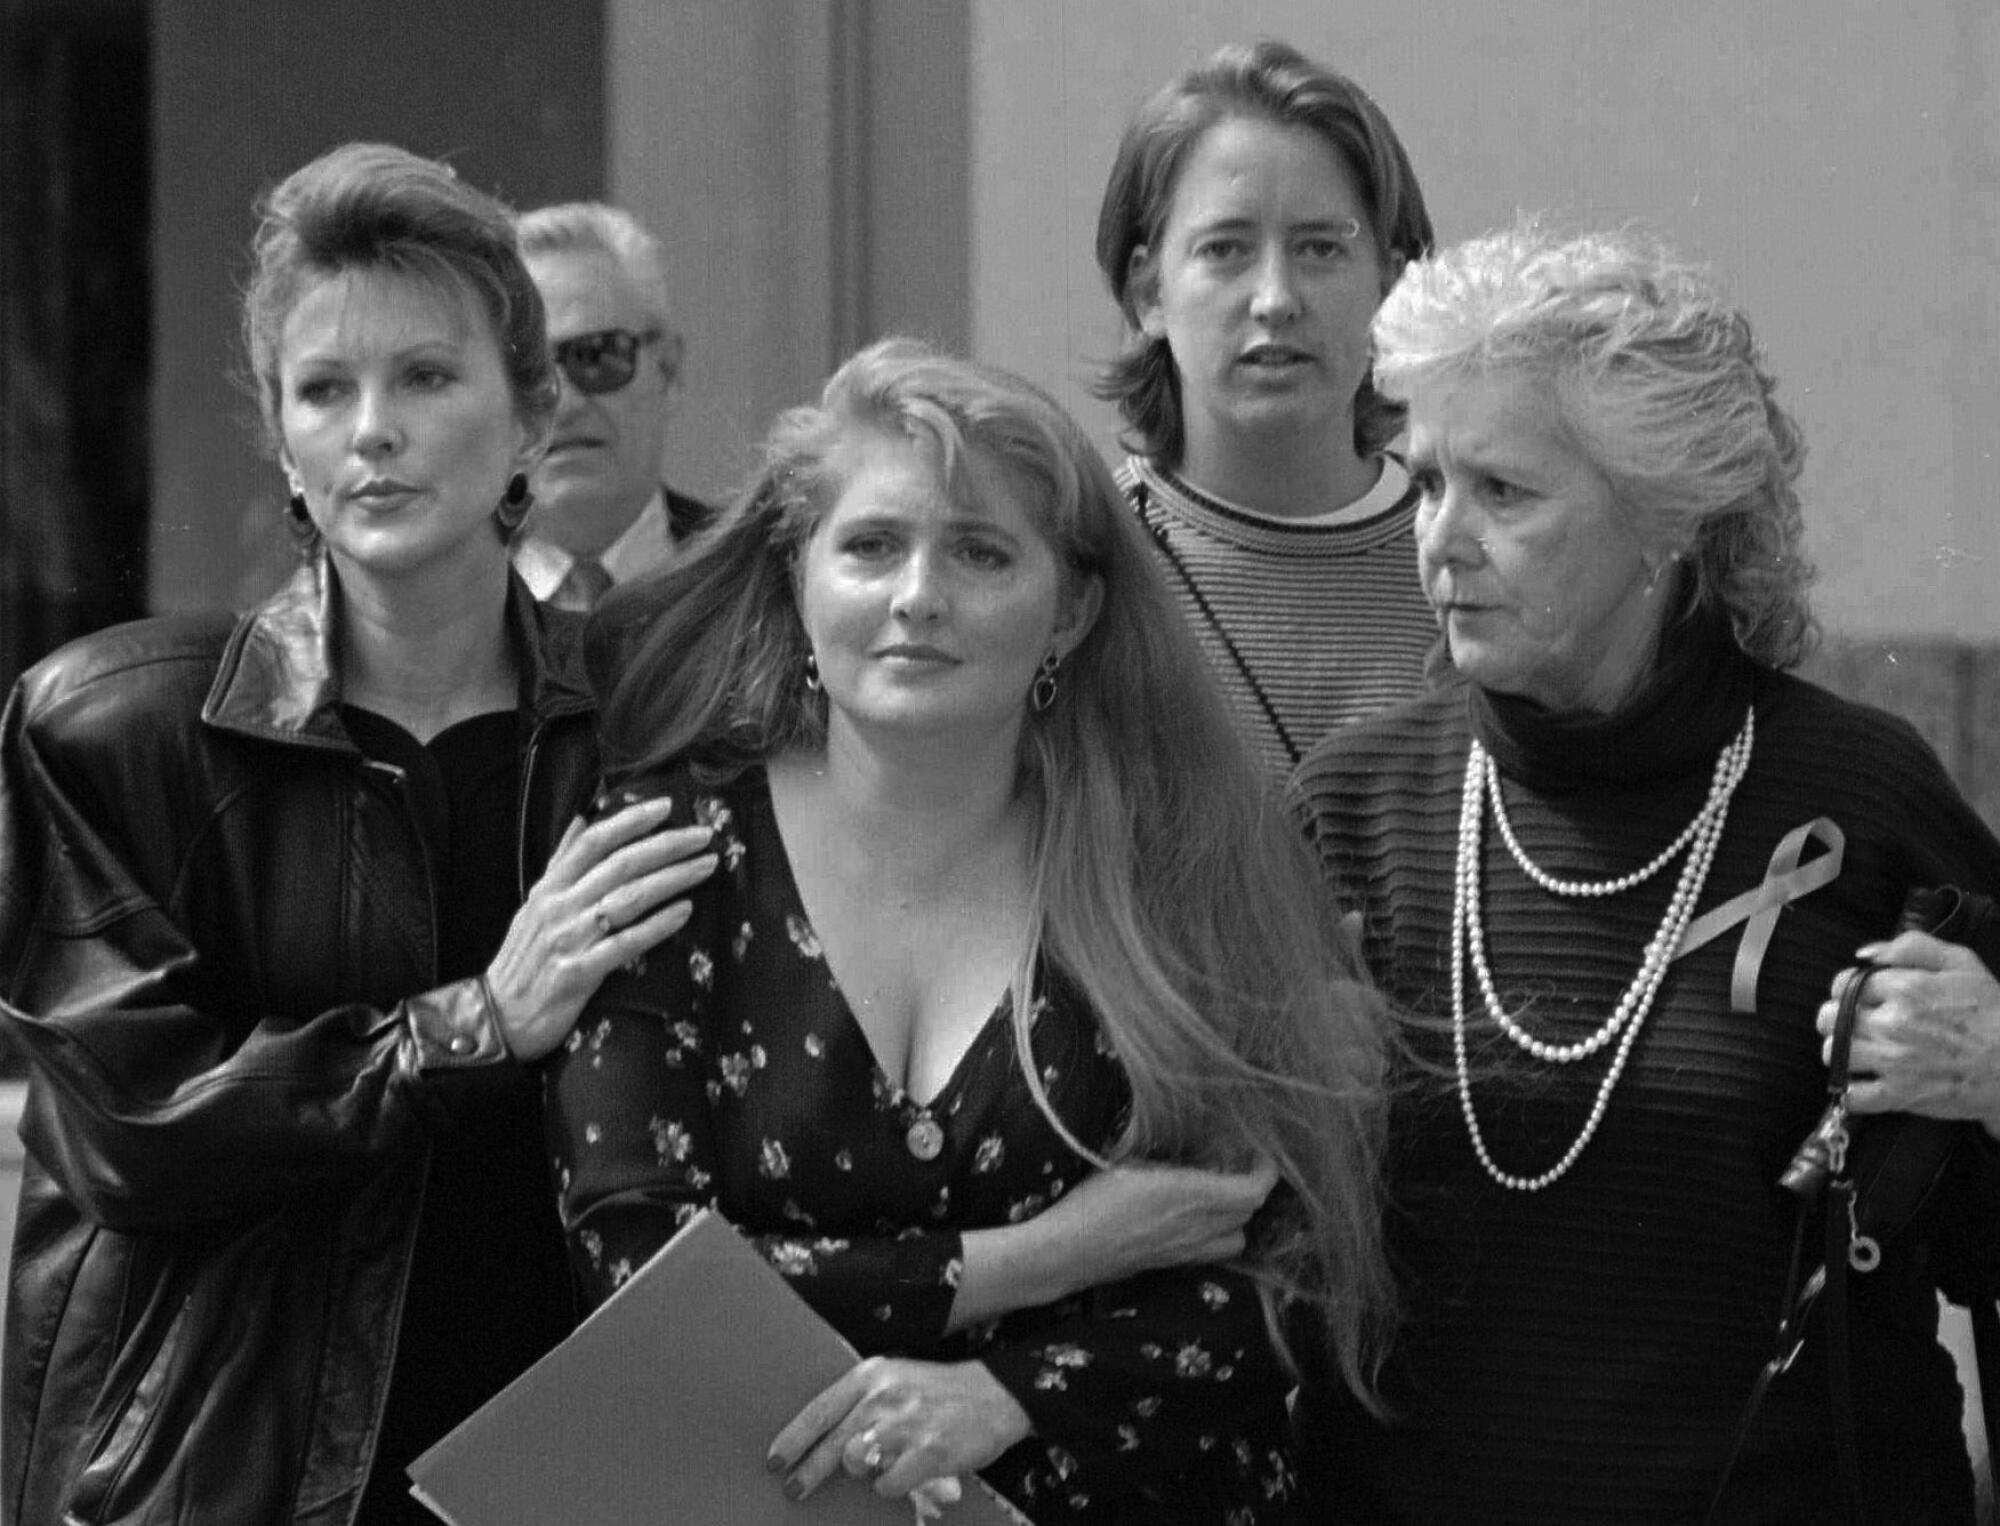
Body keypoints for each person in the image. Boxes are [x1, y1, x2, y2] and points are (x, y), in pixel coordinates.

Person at [548, 338, 1393, 1522]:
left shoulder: (1179, 864)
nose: (918, 596)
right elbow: (637, 1277)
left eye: (982, 552)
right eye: (871, 545)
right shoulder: (670, 851)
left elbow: (1289, 1277)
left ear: (1072, 609)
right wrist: (1041, 1256)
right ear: (799, 579)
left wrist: (1005, 1393)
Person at [0, 143, 718, 1524]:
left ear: (528, 412)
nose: (370, 430)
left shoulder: (651, 730)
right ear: (281, 436)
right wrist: (475, 1024)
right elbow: (133, 1128)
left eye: (427, 378)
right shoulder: (112, 728)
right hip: (228, 1478)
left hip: (567, 1462)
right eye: (324, 389)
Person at [1291, 221, 2000, 1524]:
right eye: (1425, 481)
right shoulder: (1350, 807)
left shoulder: (1863, 800)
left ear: (1669, 524)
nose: (1441, 540)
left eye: (1502, 492)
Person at [1093, 39, 1440, 778]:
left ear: (1391, 283)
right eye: (1225, 249)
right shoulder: (1079, 563)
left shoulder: (1472, 556)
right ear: (1151, 292)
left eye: (1320, 248)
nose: (1276, 299)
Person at [511, 200, 716, 610]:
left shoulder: (761, 577)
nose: (563, 404)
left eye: (595, 356)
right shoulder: (430, 604)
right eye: (528, 371)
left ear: (667, 371)